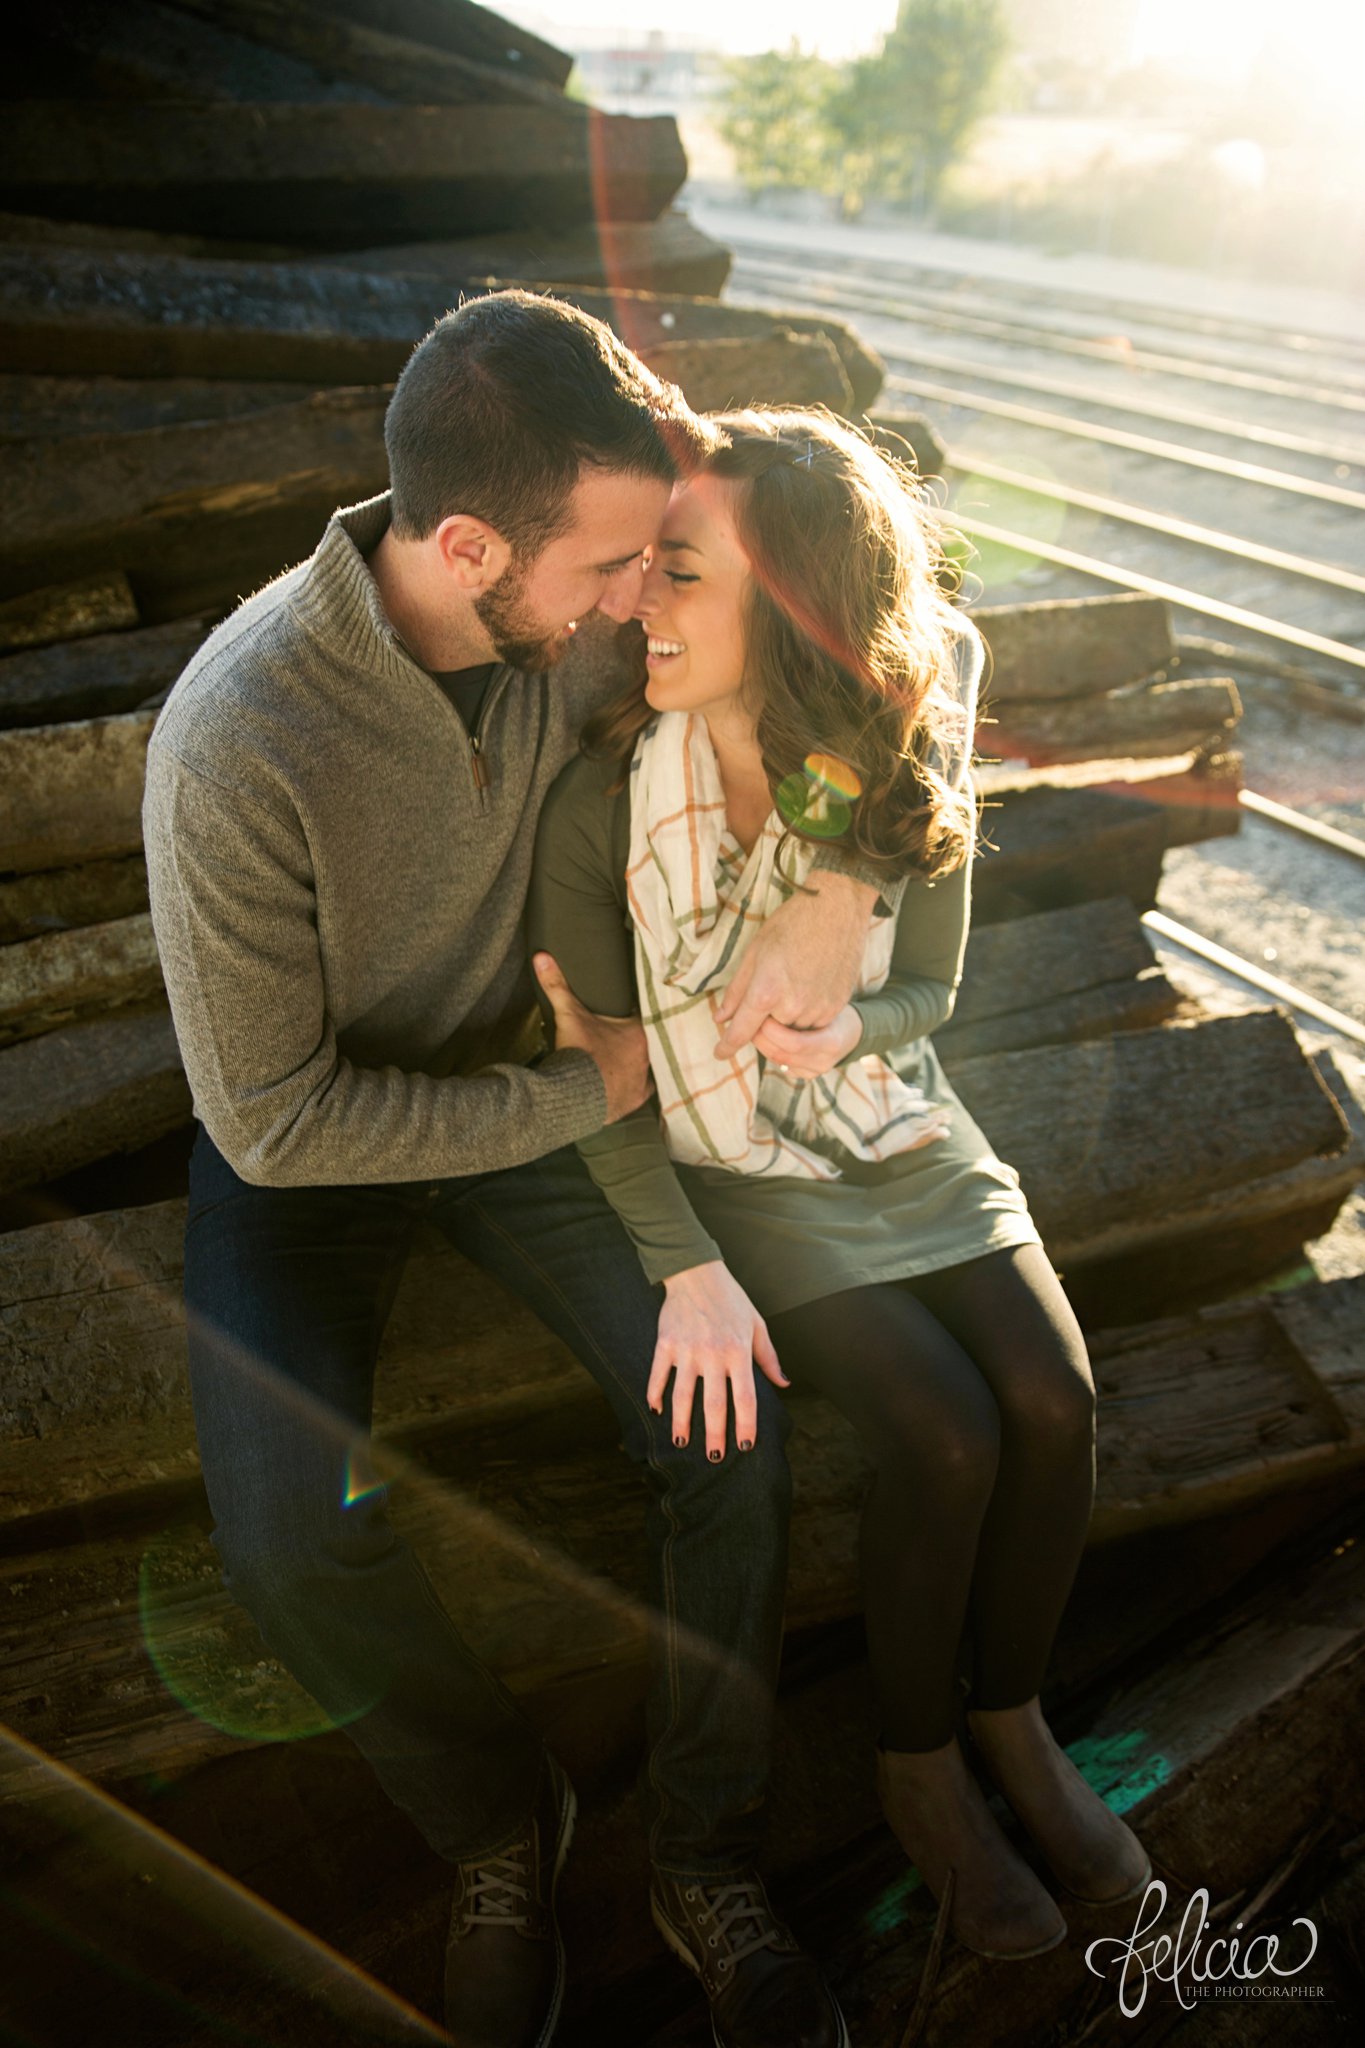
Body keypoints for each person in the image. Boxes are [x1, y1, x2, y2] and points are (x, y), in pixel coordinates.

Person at [143, 296, 878, 2048]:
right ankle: (497, 1819)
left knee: (734, 1429)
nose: (642, 602)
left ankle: (701, 1856)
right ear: (470, 545)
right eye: (614, 566)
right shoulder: (234, 740)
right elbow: (271, 1124)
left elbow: (875, 656)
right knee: (281, 1547)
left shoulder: (570, 609)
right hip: (320, 1140)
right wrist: (590, 1083)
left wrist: (841, 874)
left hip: (539, 1089)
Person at [527, 407, 1152, 1979]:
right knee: (943, 1429)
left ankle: (1010, 1724)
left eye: (679, 575)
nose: (638, 606)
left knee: (1053, 1403)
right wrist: (676, 1253)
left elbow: (926, 990)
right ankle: (915, 1768)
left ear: (791, 607)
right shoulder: (603, 797)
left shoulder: (870, 774)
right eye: (649, 570)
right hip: (738, 1179)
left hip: (899, 1133)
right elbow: (597, 1070)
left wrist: (845, 1015)